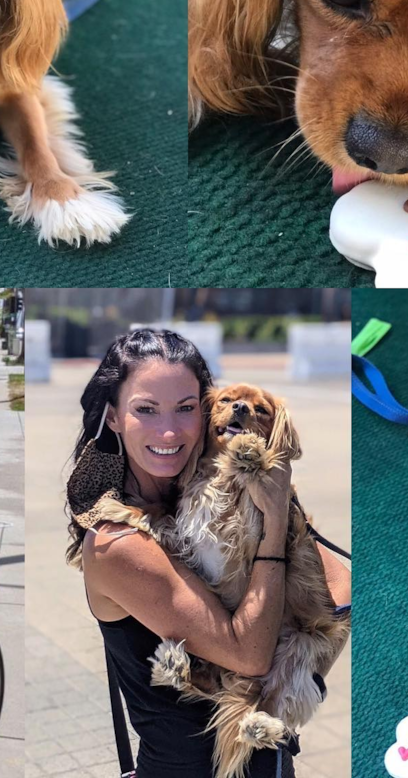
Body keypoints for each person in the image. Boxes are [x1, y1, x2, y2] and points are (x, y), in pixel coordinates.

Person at [66, 328, 351, 778]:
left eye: (184, 409)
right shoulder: (115, 541)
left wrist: (290, 684)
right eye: (145, 409)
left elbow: (342, 586)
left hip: (265, 760)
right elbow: (250, 656)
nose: (168, 429)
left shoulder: (198, 495)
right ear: (114, 416)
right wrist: (274, 526)